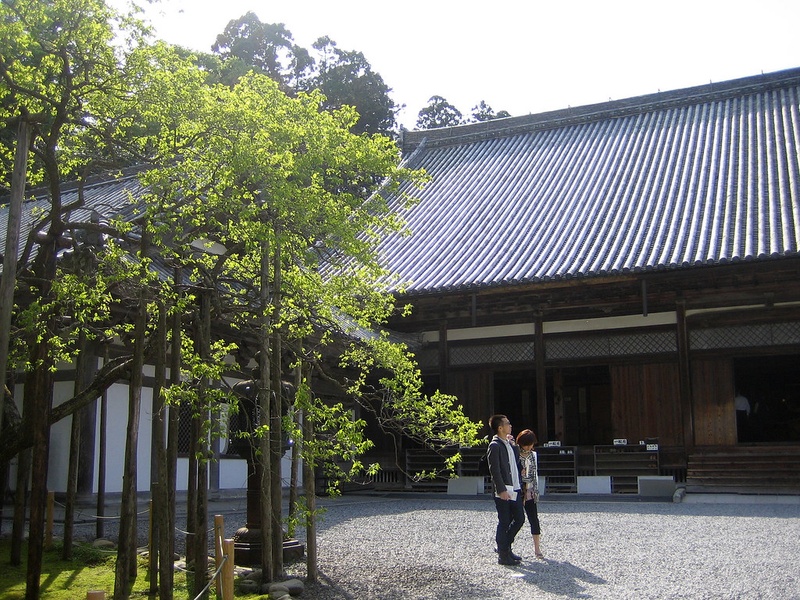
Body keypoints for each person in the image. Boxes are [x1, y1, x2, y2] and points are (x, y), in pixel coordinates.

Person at [487, 414, 525, 565]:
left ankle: (504, 547)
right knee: (504, 521)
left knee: (519, 519)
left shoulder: (509, 444)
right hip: (503, 490)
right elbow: (494, 470)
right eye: (507, 424)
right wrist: (501, 489)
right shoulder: (494, 445)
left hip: (514, 487)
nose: (510, 426)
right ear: (500, 428)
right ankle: (503, 553)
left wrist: (514, 445)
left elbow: (515, 463)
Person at [516, 428, 544, 559]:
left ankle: (537, 548)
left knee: (534, 518)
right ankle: (506, 545)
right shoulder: (515, 454)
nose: (528, 447)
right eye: (526, 444)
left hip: (530, 490)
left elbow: (534, 474)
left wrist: (536, 491)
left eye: (530, 444)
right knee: (514, 519)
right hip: (518, 490)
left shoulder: (533, 455)